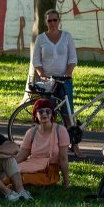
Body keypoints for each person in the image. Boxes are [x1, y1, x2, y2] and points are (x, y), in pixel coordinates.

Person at [32, 9, 80, 155]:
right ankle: (46, 146)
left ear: (59, 21)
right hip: (48, 81)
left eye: (55, 20)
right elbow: (36, 60)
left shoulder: (67, 37)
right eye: (49, 20)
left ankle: (75, 147)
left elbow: (72, 59)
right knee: (47, 114)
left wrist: (67, 74)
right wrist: (42, 75)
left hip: (64, 80)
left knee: (68, 114)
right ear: (45, 22)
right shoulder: (41, 38)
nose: (52, 23)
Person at [15, 98, 70, 189]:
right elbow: (22, 155)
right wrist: (10, 167)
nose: (44, 114)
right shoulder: (31, 132)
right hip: (31, 165)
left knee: (22, 178)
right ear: (35, 115)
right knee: (13, 175)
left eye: (48, 111)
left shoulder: (60, 130)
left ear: (52, 114)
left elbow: (63, 158)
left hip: (49, 170)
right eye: (40, 112)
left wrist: (66, 182)